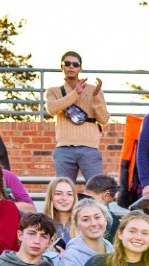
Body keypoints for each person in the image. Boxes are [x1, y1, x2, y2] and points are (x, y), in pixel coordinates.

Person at [45, 52, 108, 180]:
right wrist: (76, 93)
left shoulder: (94, 90)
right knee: (64, 190)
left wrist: (96, 97)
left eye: (75, 64)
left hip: (90, 148)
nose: (71, 67)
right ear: (62, 67)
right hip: (64, 148)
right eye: (67, 64)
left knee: (97, 188)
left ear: (80, 68)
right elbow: (51, 109)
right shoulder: (53, 91)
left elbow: (104, 120)